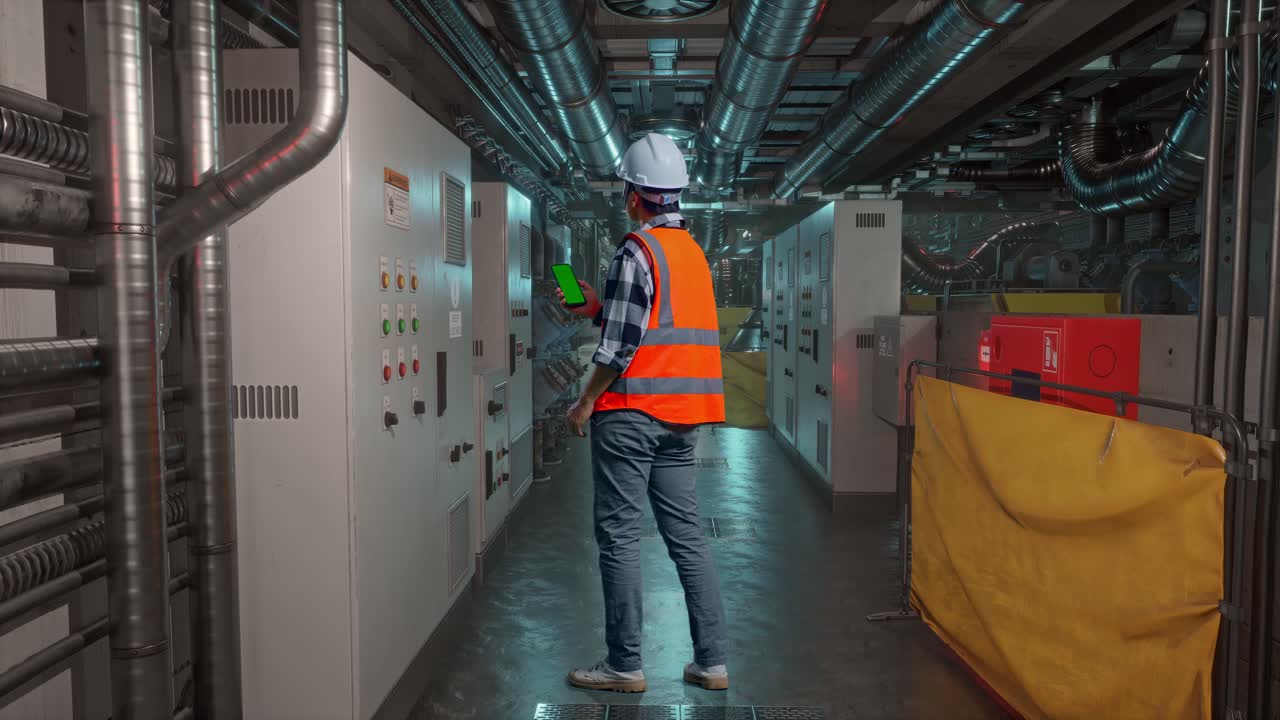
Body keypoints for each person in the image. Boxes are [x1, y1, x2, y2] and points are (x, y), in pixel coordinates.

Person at [555, 133, 729, 694]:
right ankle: (712, 663)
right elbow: (659, 326)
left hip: (632, 413)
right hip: (684, 418)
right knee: (687, 536)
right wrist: (600, 305)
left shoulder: (637, 251)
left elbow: (621, 348)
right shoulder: (693, 255)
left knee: (621, 537)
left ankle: (624, 665)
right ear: (674, 196)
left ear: (633, 196)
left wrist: (585, 400)